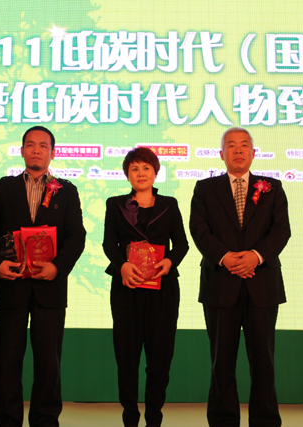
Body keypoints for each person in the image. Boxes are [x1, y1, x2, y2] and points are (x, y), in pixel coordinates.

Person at [0, 126, 86, 427]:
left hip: (49, 288)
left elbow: (76, 236)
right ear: (22, 150)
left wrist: (58, 267)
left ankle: (46, 420)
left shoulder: (66, 191)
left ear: (53, 152)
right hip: (11, 286)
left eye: (43, 145)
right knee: (7, 361)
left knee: (49, 363)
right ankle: (6, 420)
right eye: (30, 144)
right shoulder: (4, 188)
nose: (36, 150)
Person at [189, 128, 291, 427]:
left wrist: (255, 256)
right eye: (231, 145)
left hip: (262, 285)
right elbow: (199, 229)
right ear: (221, 154)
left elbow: (281, 230)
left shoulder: (272, 187)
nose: (238, 150)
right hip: (221, 285)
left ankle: (265, 421)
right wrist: (227, 258)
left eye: (244, 145)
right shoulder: (205, 189)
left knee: (263, 362)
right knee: (222, 362)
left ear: (253, 153)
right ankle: (223, 421)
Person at [102, 147, 189, 427]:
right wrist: (122, 266)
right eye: (135, 169)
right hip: (127, 288)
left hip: (163, 289)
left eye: (146, 168)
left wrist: (169, 261)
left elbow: (182, 244)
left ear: (156, 172)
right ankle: (129, 416)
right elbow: (109, 243)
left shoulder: (169, 204)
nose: (141, 174)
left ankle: (154, 417)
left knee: (160, 357)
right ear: (127, 175)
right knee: (126, 357)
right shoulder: (115, 204)